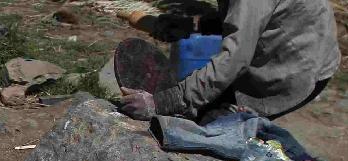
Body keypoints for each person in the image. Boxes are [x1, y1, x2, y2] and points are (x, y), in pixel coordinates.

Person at [121, 0, 340, 123]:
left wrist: (162, 102)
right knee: (201, 108)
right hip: (294, 47)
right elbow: (249, 17)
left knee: (212, 126)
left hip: (297, 67)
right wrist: (191, 25)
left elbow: (234, 60)